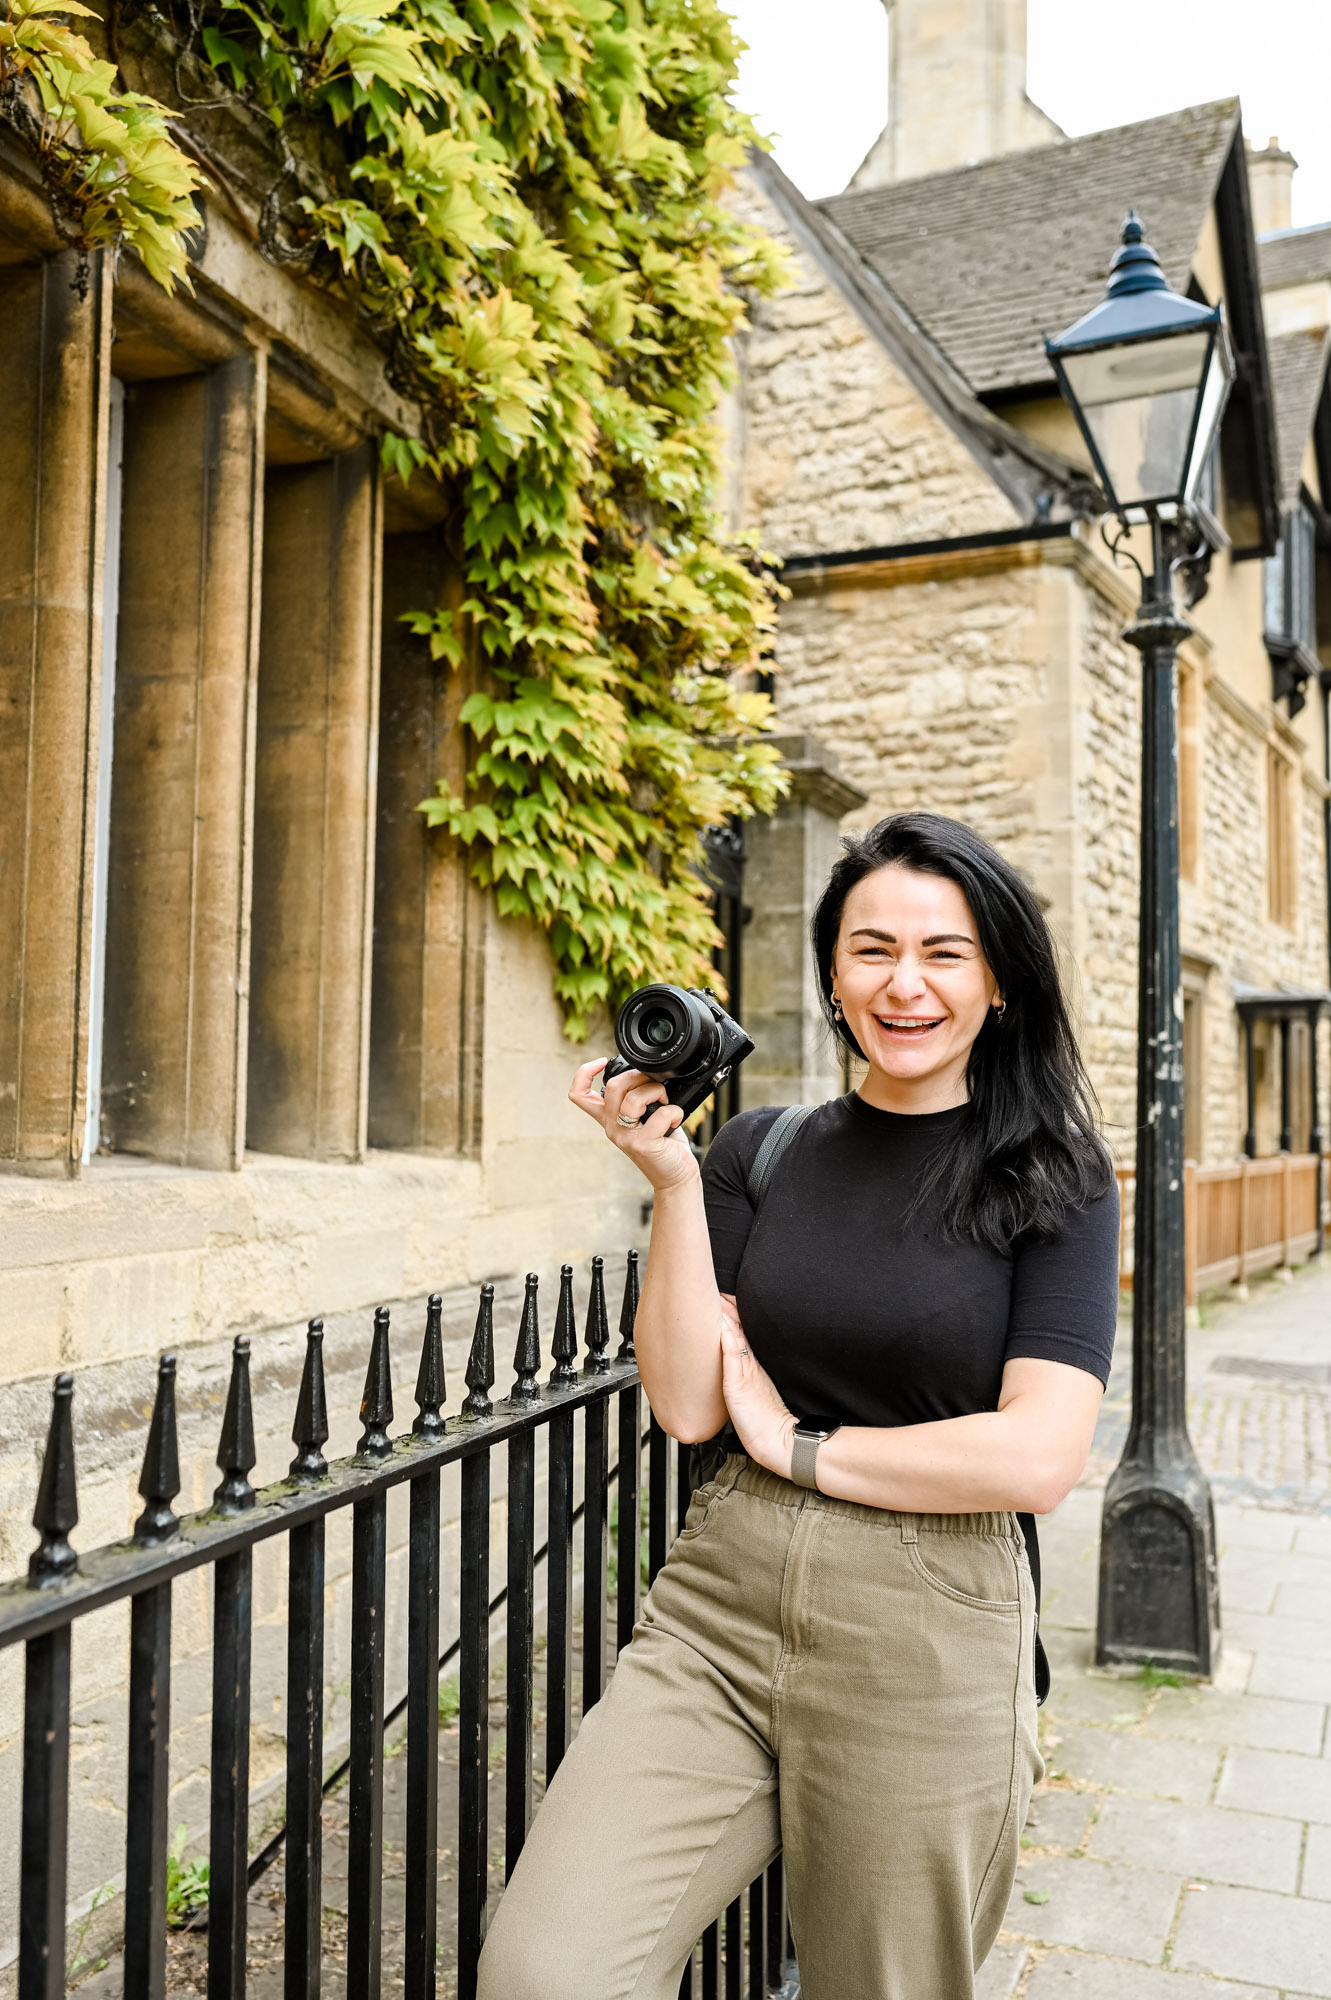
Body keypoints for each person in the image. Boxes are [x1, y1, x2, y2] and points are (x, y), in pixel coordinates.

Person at [477, 811, 1120, 2000]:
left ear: (997, 982)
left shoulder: (1054, 1178)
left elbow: (1036, 1453)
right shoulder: (759, 1153)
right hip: (718, 1604)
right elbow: (679, 1399)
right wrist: (671, 1181)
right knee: (543, 1971)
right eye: (871, 947)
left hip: (929, 1626)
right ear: (832, 971)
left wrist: (797, 1444)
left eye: (943, 951)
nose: (904, 982)